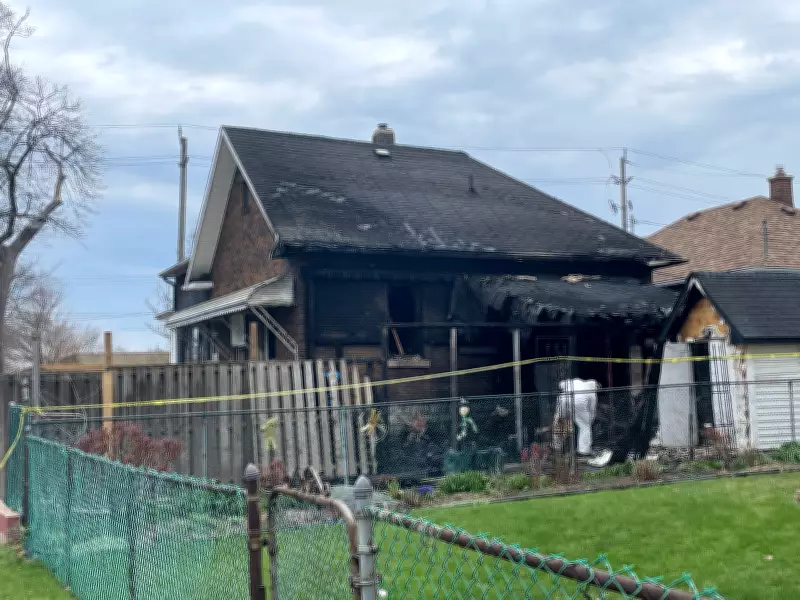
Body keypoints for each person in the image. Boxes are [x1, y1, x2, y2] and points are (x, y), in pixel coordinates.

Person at [554, 378, 599, 456]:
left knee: (558, 421)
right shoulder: (591, 391)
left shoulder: (575, 381)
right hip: (579, 402)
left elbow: (561, 384)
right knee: (585, 427)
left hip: (563, 398)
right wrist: (590, 421)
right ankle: (584, 450)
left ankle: (557, 446)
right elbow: (592, 409)